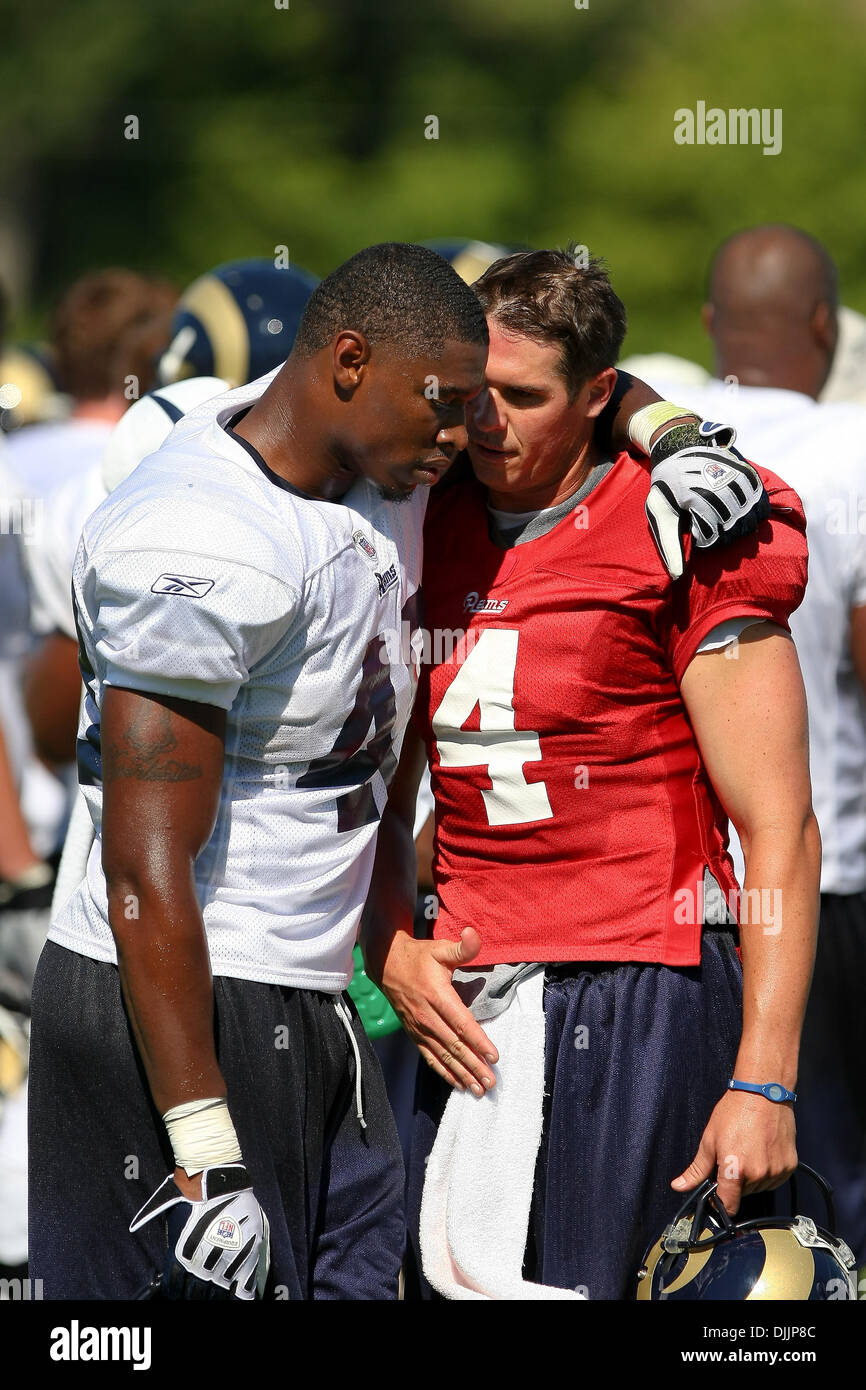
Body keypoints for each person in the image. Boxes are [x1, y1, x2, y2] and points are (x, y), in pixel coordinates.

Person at [27, 240, 765, 1301]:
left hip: (319, 993)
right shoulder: (197, 529)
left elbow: (557, 362)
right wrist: (202, 1148)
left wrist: (672, 428)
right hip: (174, 995)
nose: (465, 434)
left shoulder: (383, 448)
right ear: (347, 363)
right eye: (446, 407)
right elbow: (146, 873)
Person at [363, 247, 819, 1300]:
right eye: (474, 394)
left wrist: (765, 1075)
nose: (488, 424)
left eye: (524, 398)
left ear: (596, 397)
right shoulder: (415, 514)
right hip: (470, 1004)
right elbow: (377, 807)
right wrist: (390, 941)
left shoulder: (681, 522)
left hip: (640, 990)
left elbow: (779, 829)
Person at [636, 223, 866, 1266]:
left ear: (708, 327)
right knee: (837, 1187)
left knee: (716, 1216)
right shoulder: (856, 449)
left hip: (695, 902)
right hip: (834, 874)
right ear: (823, 325)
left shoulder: (650, 455)